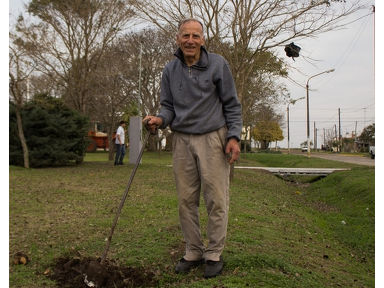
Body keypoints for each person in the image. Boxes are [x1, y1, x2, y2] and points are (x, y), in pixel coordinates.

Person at [144, 18, 242, 278]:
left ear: (203, 40)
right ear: (177, 39)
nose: (190, 40)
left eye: (195, 36)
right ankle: (194, 251)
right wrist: (160, 119)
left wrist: (234, 137)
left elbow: (232, 104)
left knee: (216, 198)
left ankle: (214, 253)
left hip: (213, 138)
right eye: (185, 35)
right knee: (186, 200)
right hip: (182, 140)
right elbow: (168, 107)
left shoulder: (219, 65)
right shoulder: (169, 70)